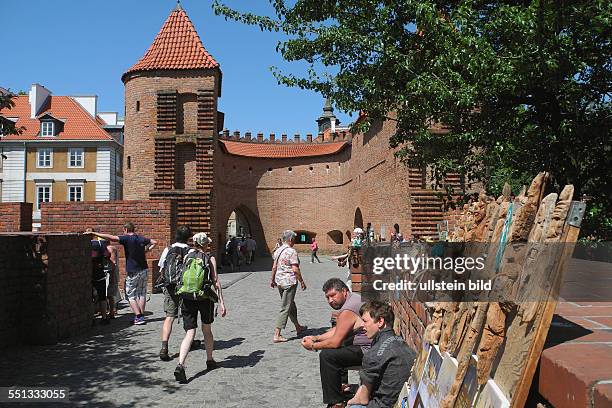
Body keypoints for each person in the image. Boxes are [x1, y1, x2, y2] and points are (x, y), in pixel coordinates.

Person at [301, 278, 372, 408]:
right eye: (327, 298)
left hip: (368, 350)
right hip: (368, 345)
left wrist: (313, 346)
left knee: (327, 356)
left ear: (344, 291)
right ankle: (340, 387)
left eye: (333, 295)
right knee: (342, 344)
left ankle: (336, 402)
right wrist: (317, 337)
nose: (330, 300)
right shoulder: (353, 299)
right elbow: (338, 329)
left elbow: (335, 342)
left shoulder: (348, 310)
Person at [174, 232, 227, 383]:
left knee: (190, 332)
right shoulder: (209, 257)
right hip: (205, 298)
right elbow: (216, 281)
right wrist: (222, 302)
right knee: (207, 329)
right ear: (206, 244)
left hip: (187, 297)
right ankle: (210, 360)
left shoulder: (186, 256)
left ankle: (180, 364)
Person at [347, 301, 416, 408]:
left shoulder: (373, 354)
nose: (362, 325)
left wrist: (350, 402)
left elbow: (363, 399)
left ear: (380, 321)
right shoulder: (403, 343)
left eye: (365, 321)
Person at [90, 222, 157, 325]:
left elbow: (111, 237)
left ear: (125, 229)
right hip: (144, 269)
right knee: (141, 293)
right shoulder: (141, 238)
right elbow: (154, 242)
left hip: (133, 270)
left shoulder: (126, 238)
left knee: (130, 295)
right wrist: (146, 251)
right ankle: (140, 316)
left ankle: (138, 317)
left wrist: (96, 234)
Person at [158, 225, 192, 361]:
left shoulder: (168, 249)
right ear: (188, 237)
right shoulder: (190, 251)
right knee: (187, 314)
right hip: (186, 288)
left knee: (169, 316)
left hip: (171, 287)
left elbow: (161, 268)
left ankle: (164, 347)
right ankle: (189, 340)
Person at [270, 229, 307, 343]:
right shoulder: (291, 251)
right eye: (294, 239)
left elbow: (274, 267)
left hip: (280, 281)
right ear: (290, 239)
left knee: (290, 304)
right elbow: (295, 269)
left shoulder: (277, 250)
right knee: (285, 307)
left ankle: (297, 327)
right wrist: (301, 281)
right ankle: (277, 334)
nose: (294, 241)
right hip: (289, 282)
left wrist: (272, 280)